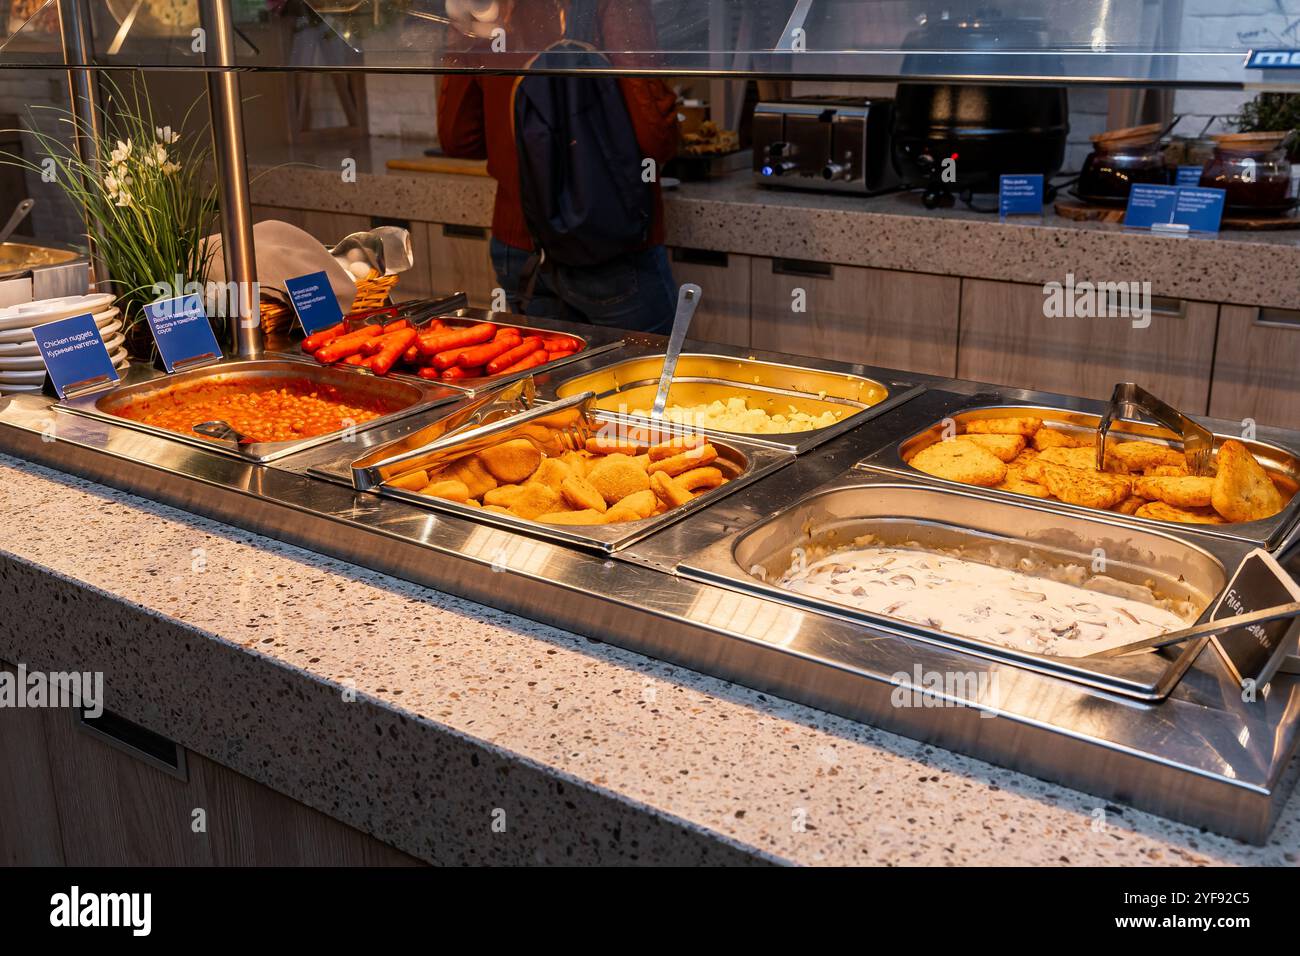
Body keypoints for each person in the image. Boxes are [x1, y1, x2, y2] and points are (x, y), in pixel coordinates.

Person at [436, 0, 679, 334]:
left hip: (521, 250)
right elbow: (656, 138)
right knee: (643, 381)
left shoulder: (484, 6)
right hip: (610, 247)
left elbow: (458, 138)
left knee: (546, 381)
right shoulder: (614, 4)